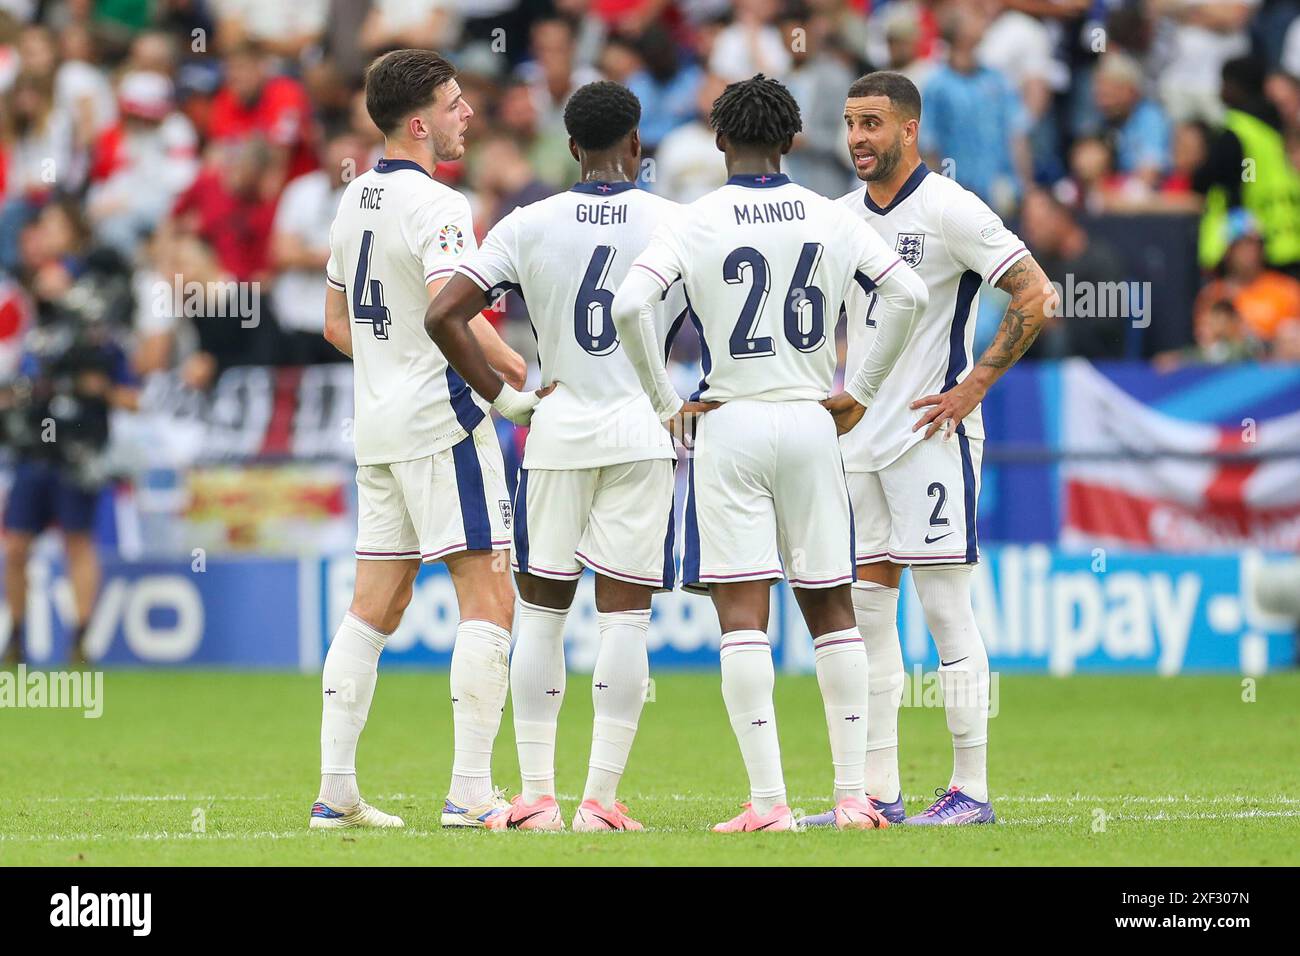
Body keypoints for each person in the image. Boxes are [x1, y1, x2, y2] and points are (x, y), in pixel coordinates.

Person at [611, 74, 929, 833]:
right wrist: (862, 389)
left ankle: (770, 805)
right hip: (813, 418)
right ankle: (854, 797)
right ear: (791, 141)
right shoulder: (829, 216)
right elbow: (909, 296)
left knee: (742, 615)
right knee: (832, 609)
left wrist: (664, 402)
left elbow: (630, 306)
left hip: (732, 420)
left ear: (719, 140)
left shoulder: (694, 220)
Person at [426, 81, 689, 832]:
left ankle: (537, 795)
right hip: (644, 431)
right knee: (626, 618)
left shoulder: (527, 222)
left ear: (571, 148)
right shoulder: (677, 222)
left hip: (558, 431)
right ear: (637, 145)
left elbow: (444, 313)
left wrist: (503, 398)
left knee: (540, 614)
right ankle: (599, 802)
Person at [806, 70, 1056, 828]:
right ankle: (877, 793)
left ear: (909, 129)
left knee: (947, 614)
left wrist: (974, 385)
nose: (858, 138)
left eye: (873, 124)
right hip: (860, 443)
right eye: (851, 123)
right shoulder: (841, 217)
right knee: (869, 620)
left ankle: (971, 791)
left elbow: (1036, 293)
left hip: (929, 439)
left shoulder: (952, 209)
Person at [311, 49, 527, 831]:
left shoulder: (351, 199)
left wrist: (505, 360)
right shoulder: (441, 206)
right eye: (455, 102)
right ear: (418, 122)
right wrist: (510, 391)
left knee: (374, 606)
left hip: (376, 426)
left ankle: (335, 791)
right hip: (442, 423)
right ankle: (471, 793)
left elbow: (339, 326)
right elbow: (448, 312)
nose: (466, 113)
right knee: (490, 598)